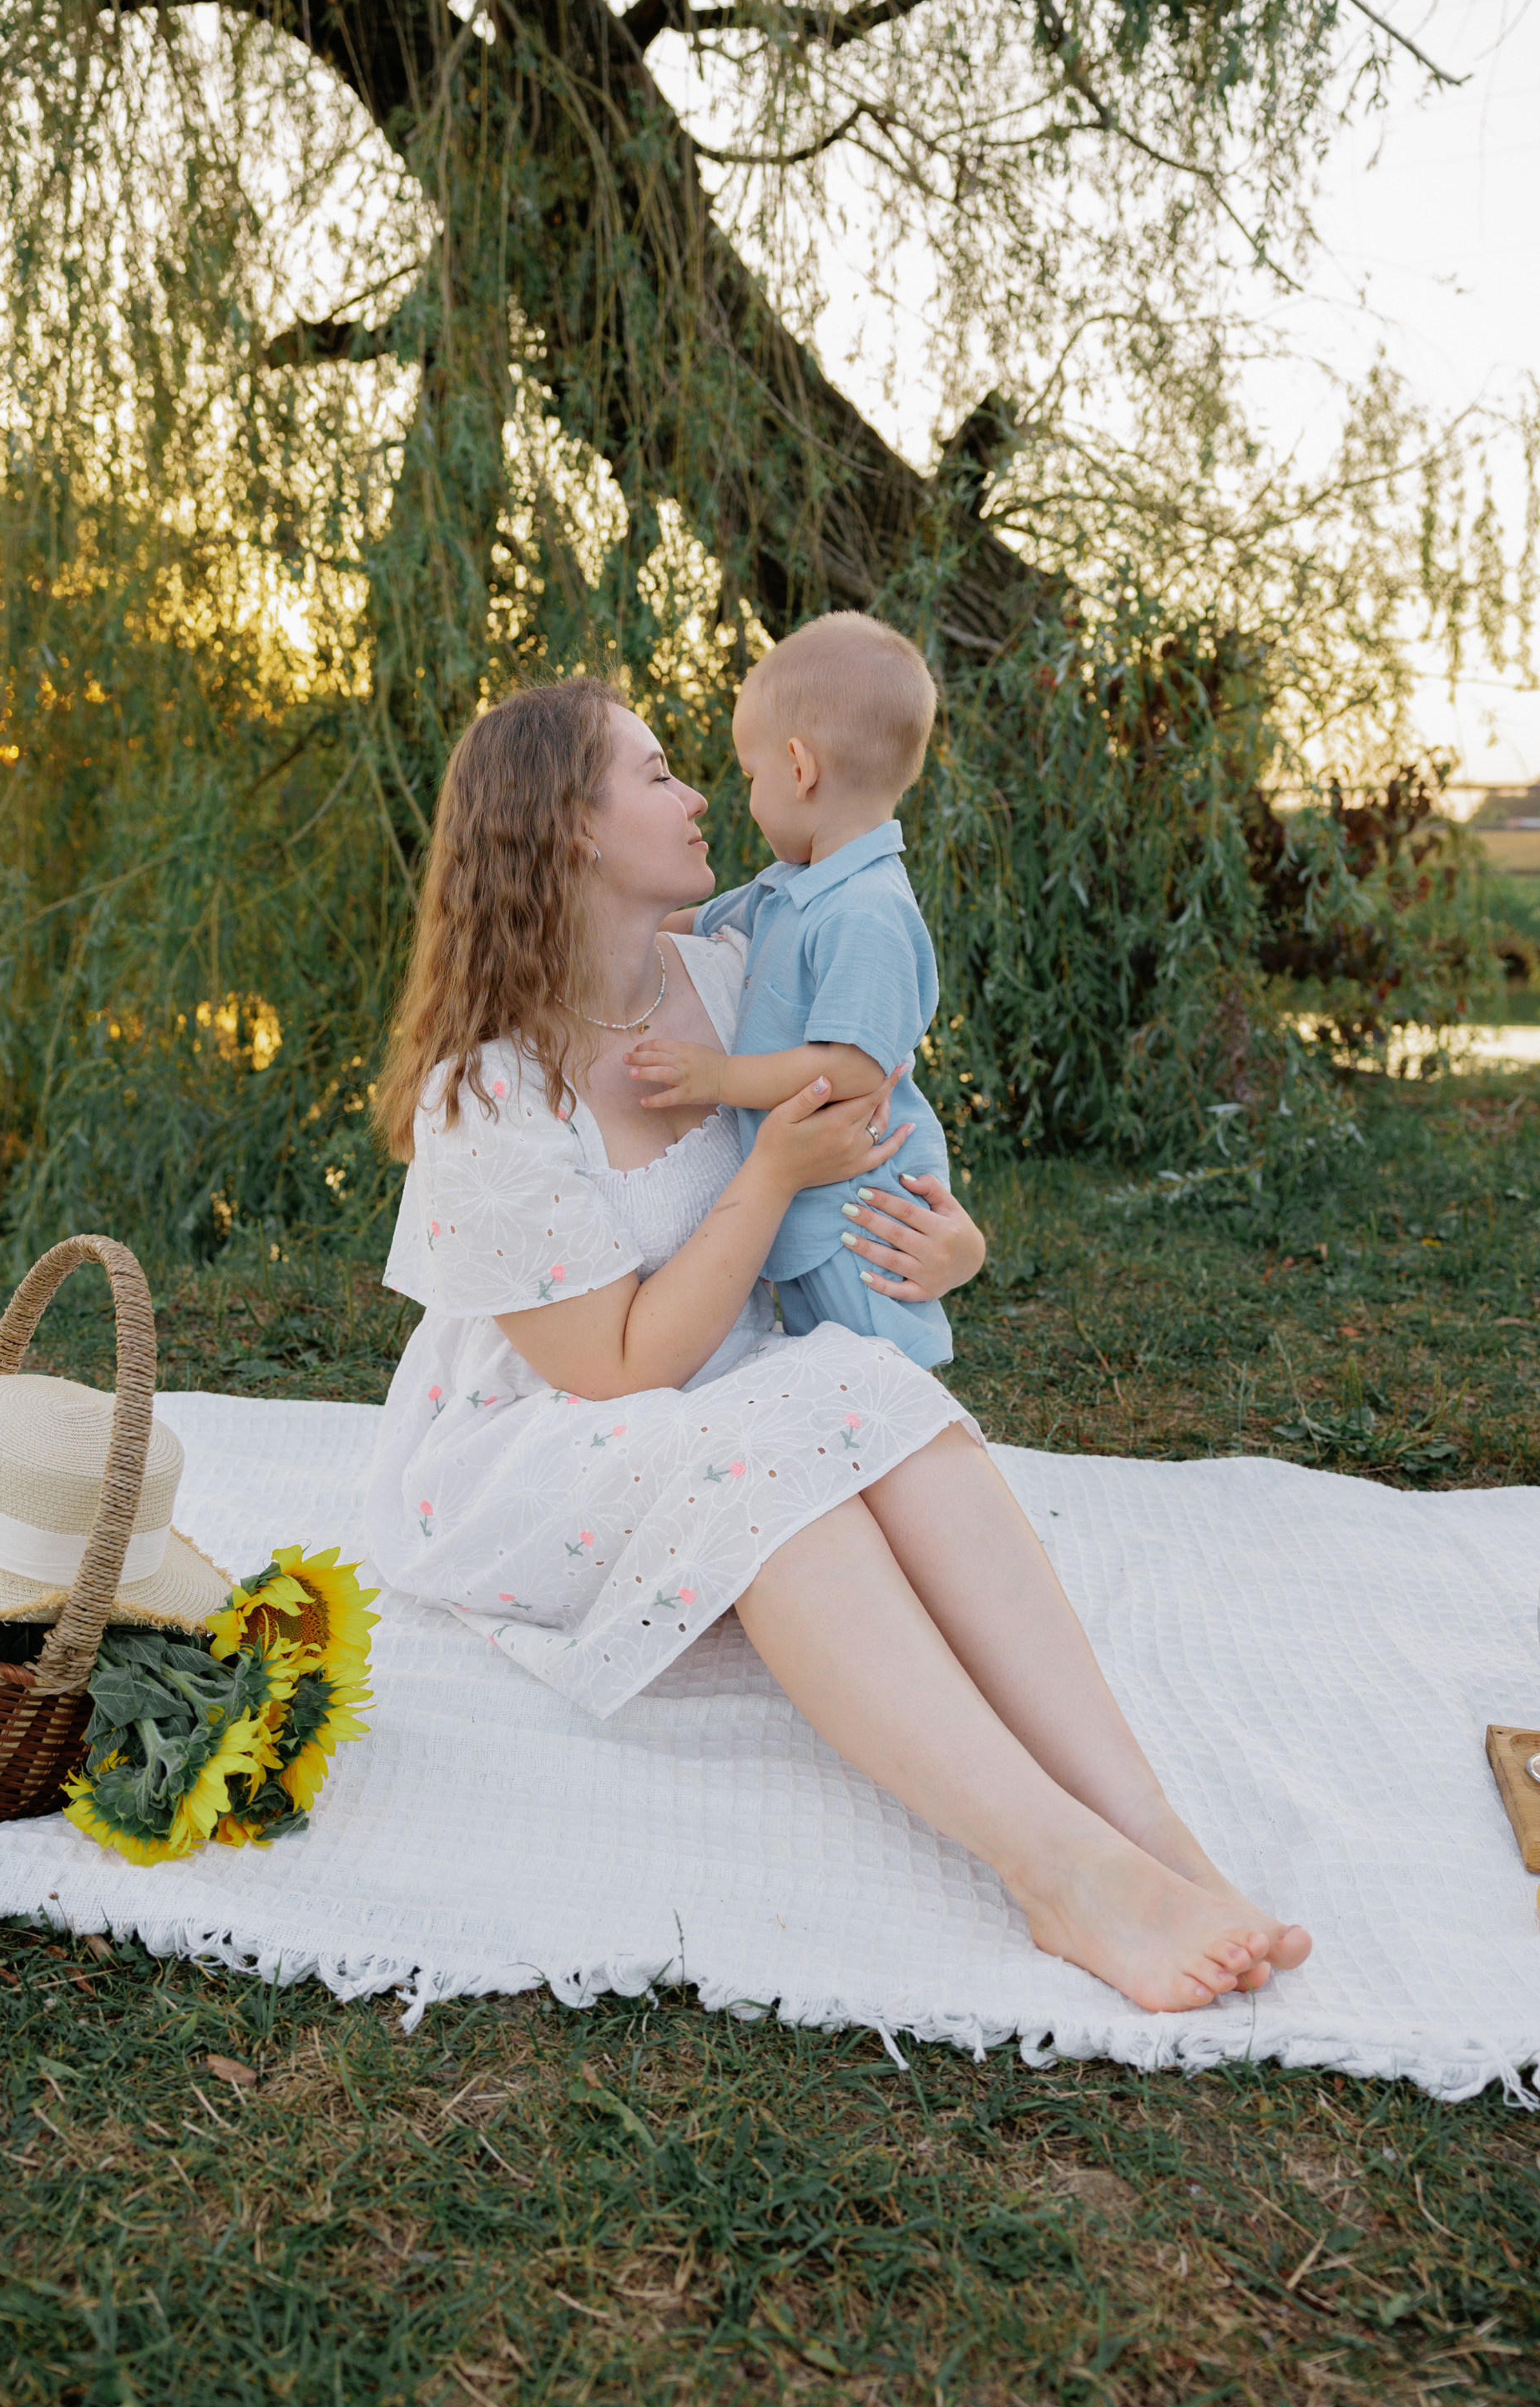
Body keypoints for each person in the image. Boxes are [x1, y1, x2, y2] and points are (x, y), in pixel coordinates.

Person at [365, 675, 1312, 2015]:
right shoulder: (487, 1094)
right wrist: (768, 1177)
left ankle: (1154, 1837)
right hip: (547, 1432)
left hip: (730, 1372)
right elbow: (612, 1368)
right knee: (774, 1463)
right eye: (655, 774)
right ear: (571, 826)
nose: (697, 796)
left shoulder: (734, 979)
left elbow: (887, 1126)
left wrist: (948, 1239)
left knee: (875, 1397)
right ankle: (1058, 1874)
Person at [626, 612, 954, 1368]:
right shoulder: (789, 889)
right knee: (822, 1363)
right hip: (814, 1196)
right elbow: (692, 921)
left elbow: (853, 1067)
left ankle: (906, 1433)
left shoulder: (866, 910)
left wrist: (718, 1079)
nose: (744, 798)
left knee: (876, 1363)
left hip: (862, 1203)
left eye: (751, 776)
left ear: (800, 768)